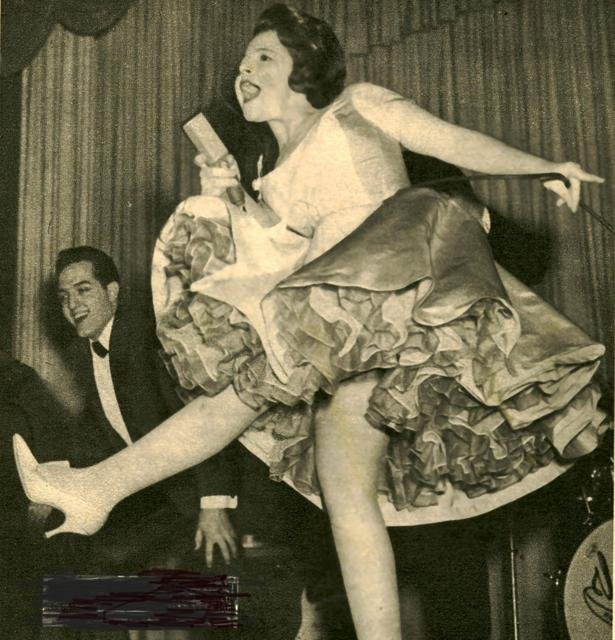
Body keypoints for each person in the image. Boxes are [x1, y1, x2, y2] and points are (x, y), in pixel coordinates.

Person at [14, 5, 608, 639]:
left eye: (263, 56)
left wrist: (542, 166)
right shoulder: (272, 174)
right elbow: (270, 261)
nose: (244, 69)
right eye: (242, 61)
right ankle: (97, 490)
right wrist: (227, 196)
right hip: (334, 327)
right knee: (340, 484)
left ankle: (98, 488)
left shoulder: (356, 104)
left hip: (391, 289)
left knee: (250, 407)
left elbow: (446, 139)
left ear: (305, 65)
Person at [52, 246, 240, 571]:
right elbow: (94, 439)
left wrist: (213, 504)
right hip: (152, 497)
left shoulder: (149, 338)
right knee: (72, 547)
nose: (73, 304)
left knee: (111, 563)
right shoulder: (84, 355)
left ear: (112, 292)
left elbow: (205, 416)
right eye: (64, 296)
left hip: (196, 494)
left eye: (83, 290)